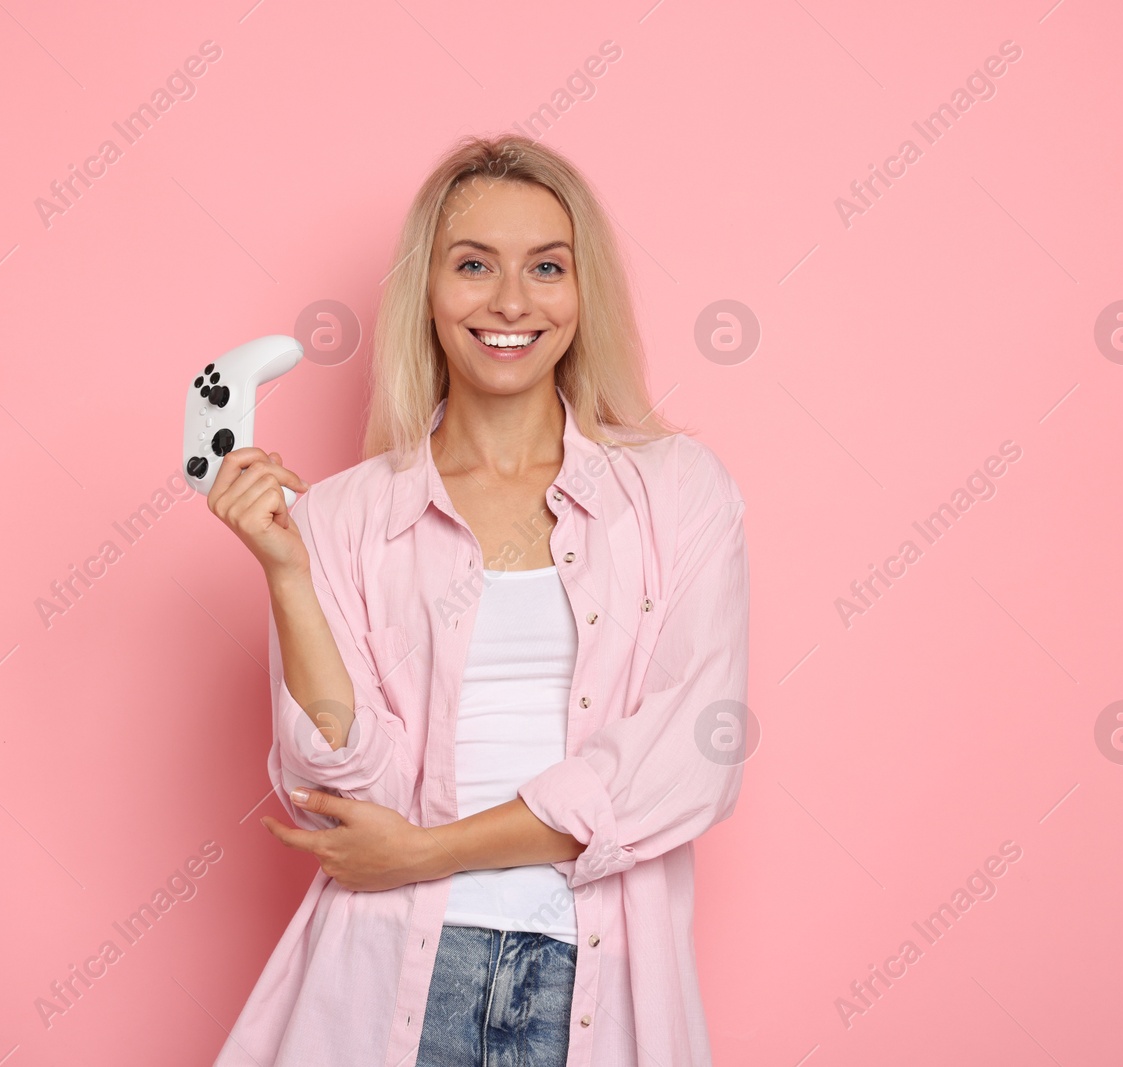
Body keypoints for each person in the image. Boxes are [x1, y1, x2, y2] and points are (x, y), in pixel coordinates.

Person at [206, 133, 750, 1067]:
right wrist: (288, 575)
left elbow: (690, 754)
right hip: (389, 982)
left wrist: (426, 852)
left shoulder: (674, 491)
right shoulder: (340, 517)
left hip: (594, 979)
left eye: (546, 266)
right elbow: (342, 787)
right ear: (428, 289)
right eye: (473, 265)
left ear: (584, 294)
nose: (510, 301)